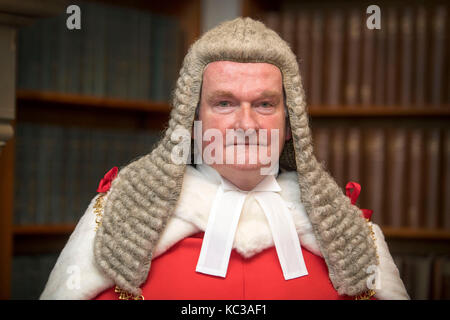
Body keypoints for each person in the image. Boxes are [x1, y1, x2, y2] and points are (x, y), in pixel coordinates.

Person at [40, 17, 409, 300]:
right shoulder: (117, 217)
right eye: (225, 103)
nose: (246, 123)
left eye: (265, 104)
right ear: (193, 116)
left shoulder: (348, 233)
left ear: (290, 120)